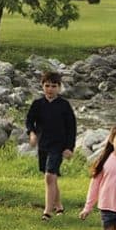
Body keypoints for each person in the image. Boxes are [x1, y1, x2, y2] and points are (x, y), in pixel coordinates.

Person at [25, 71, 77, 221]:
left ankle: (47, 211)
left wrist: (69, 148)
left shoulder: (64, 105)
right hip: (43, 145)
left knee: (49, 176)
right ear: (42, 86)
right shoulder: (37, 104)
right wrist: (32, 133)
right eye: (47, 86)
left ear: (59, 88)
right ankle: (59, 205)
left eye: (54, 86)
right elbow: (29, 121)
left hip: (58, 146)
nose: (50, 89)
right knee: (51, 178)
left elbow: (71, 128)